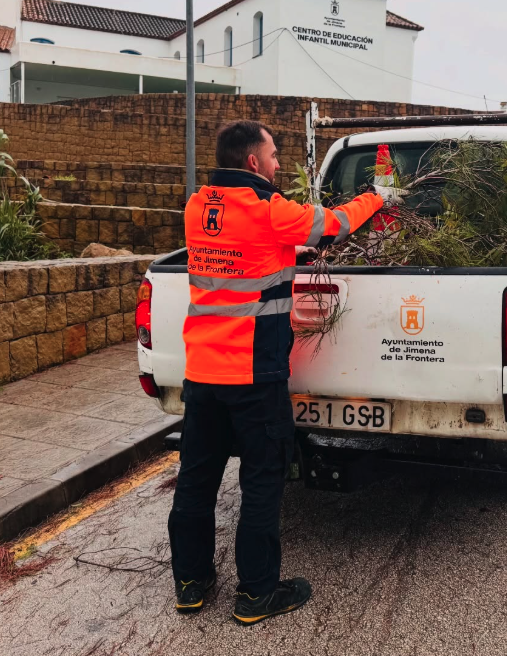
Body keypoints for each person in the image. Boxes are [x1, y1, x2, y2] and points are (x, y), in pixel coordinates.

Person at [167, 120, 398, 626]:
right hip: (253, 373)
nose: (278, 163)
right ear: (252, 162)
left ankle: (190, 582)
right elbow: (334, 222)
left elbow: (243, 259)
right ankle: (257, 592)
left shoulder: (197, 206)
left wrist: (293, 253)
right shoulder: (268, 209)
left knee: (197, 479)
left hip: (202, 373)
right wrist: (376, 198)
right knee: (263, 479)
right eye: (273, 155)